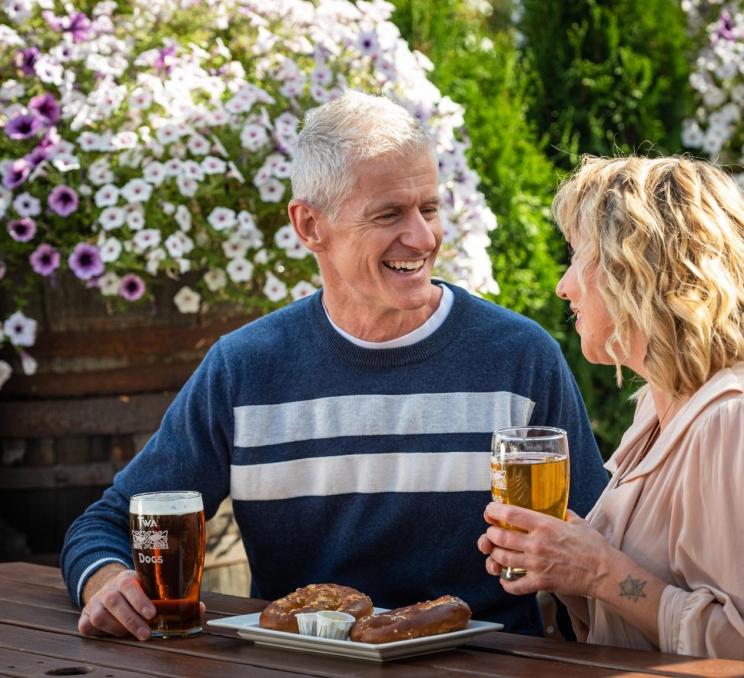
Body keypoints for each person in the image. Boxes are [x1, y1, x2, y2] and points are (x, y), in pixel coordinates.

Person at [62, 90, 608, 641]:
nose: (422, 237)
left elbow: (600, 544)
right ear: (309, 225)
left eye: (430, 208)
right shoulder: (244, 368)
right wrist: (108, 581)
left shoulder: (520, 357)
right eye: (389, 214)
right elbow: (107, 525)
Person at [478, 155, 744, 658]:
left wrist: (599, 571)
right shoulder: (655, 408)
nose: (563, 286)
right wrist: (563, 570)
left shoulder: (730, 421)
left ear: (635, 270)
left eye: (578, 256)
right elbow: (631, 623)